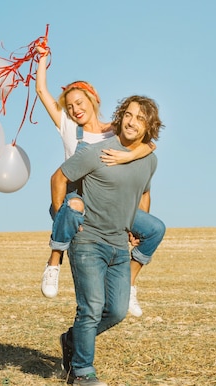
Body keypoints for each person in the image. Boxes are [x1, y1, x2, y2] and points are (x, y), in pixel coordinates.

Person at [35, 45, 165, 317]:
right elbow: (41, 93)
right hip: (76, 197)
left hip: (111, 201)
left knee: (154, 229)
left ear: (93, 100)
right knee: (73, 208)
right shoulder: (68, 126)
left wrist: (125, 159)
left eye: (79, 103)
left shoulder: (115, 131)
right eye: (70, 106)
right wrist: (42, 60)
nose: (74, 109)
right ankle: (54, 261)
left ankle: (129, 284)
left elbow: (149, 145)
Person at [53, 95, 164, 385]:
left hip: (118, 244)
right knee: (90, 308)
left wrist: (136, 227)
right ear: (119, 116)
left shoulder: (149, 160)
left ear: (149, 126)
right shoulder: (95, 152)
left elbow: (143, 193)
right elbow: (59, 177)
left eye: (140, 118)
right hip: (88, 240)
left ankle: (73, 339)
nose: (131, 122)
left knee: (115, 311)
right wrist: (60, 216)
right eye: (128, 114)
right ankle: (81, 373)